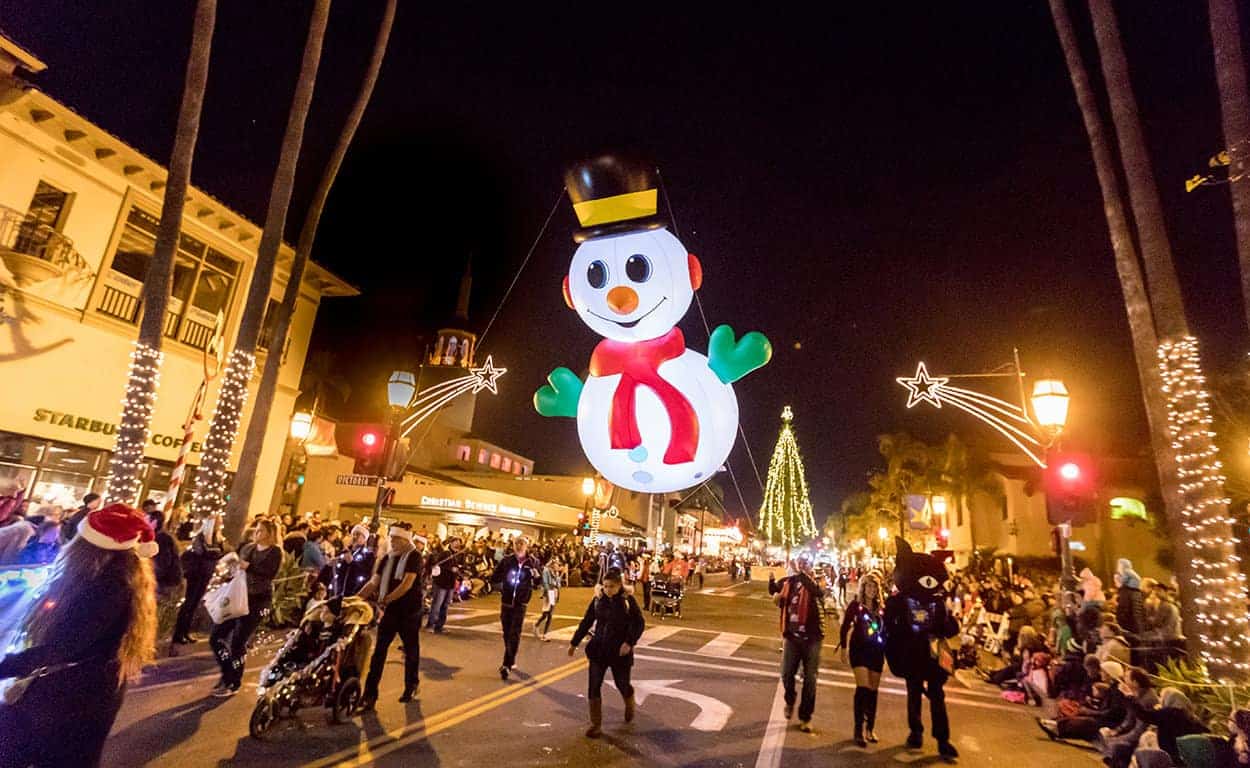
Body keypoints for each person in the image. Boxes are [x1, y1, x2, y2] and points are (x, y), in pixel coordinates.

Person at [0, 503, 157, 767]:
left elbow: (64, 646)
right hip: (89, 693)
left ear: (89, 545)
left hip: (67, 697)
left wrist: (7, 666)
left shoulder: (106, 585)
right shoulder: (120, 576)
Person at [884, 537, 960, 761]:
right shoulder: (901, 601)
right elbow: (891, 623)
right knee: (914, 693)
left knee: (937, 695)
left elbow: (949, 627)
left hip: (934, 653)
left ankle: (942, 739)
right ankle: (916, 731)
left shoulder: (938, 603)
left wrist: (947, 624)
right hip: (912, 653)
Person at [208, 518, 282, 696]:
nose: (257, 534)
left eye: (262, 531)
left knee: (238, 642)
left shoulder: (275, 552)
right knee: (216, 637)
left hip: (257, 601)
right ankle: (227, 673)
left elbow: (269, 572)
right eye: (256, 530)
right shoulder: (248, 548)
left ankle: (234, 682)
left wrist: (248, 566)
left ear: (270, 534)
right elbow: (236, 568)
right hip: (237, 597)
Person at [569, 569, 645, 738]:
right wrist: (574, 642)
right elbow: (587, 621)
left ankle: (629, 700)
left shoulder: (627, 601)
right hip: (598, 650)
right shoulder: (598, 600)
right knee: (594, 686)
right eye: (605, 586)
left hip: (620, 652)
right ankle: (596, 725)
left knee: (622, 684)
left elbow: (639, 623)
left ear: (619, 586)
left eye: (611, 586)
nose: (607, 589)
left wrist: (629, 642)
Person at [359, 524, 424, 707]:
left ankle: (411, 684)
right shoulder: (387, 558)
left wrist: (387, 598)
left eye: (396, 539)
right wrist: (355, 599)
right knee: (379, 652)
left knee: (411, 650)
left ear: (405, 540)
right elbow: (374, 582)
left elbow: (407, 583)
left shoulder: (414, 557)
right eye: (392, 539)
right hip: (391, 612)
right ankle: (370, 695)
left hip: (410, 611)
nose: (393, 542)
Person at [773, 556, 825, 733]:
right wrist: (773, 585)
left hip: (812, 637)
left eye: (805, 564)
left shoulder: (817, 580)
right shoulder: (790, 581)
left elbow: (818, 591)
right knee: (787, 674)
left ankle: (805, 716)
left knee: (810, 678)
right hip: (792, 636)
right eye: (800, 564)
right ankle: (790, 699)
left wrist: (801, 574)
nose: (802, 567)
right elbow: (774, 589)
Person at [839, 571, 886, 746]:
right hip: (859, 651)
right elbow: (844, 627)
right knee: (863, 688)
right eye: (868, 586)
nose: (871, 590)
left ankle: (870, 728)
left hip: (876, 652)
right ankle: (858, 730)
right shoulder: (855, 606)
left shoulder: (881, 608)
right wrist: (844, 648)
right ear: (863, 587)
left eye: (874, 586)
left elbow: (886, 632)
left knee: (873, 691)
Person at [172, 511, 224, 646]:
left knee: (195, 603)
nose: (220, 524)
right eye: (218, 522)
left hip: (206, 573)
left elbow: (220, 552)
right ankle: (179, 633)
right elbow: (203, 551)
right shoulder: (201, 537)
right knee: (189, 602)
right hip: (197, 573)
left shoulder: (217, 538)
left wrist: (214, 551)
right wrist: (214, 551)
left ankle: (186, 631)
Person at [494, 536, 541, 679]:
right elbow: (495, 577)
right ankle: (511, 657)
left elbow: (538, 582)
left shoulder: (533, 562)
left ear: (527, 546)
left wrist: (536, 577)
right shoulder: (507, 560)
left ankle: (506, 665)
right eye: (517, 543)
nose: (519, 546)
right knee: (507, 632)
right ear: (513, 545)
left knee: (514, 633)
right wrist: (502, 586)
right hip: (506, 602)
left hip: (521, 603)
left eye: (522, 544)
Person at [144, 504, 183, 609]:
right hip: (161, 582)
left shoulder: (161, 539)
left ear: (154, 523)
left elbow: (161, 565)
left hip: (164, 584)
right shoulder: (158, 537)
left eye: (146, 521)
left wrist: (149, 578)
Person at [427, 536, 463, 633]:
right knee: (437, 604)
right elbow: (438, 564)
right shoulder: (445, 553)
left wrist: (458, 572)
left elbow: (460, 566)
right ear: (450, 543)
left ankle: (439, 626)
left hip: (450, 583)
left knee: (445, 605)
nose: (457, 544)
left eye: (458, 542)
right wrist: (451, 569)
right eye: (455, 541)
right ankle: (431, 624)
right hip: (441, 582)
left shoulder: (458, 554)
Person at [330, 524, 376, 598]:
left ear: (364, 539)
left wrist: (352, 563)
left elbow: (366, 573)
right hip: (338, 590)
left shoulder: (368, 555)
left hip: (354, 591)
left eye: (358, 535)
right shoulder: (346, 551)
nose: (354, 537)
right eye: (353, 534)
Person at [535, 555, 561, 641]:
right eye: (556, 563)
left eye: (558, 563)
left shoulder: (556, 572)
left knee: (550, 614)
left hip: (554, 593)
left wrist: (557, 579)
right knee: (545, 614)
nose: (557, 565)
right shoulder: (546, 571)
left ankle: (545, 634)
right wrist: (549, 591)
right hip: (548, 593)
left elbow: (559, 585)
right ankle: (537, 624)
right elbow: (545, 583)